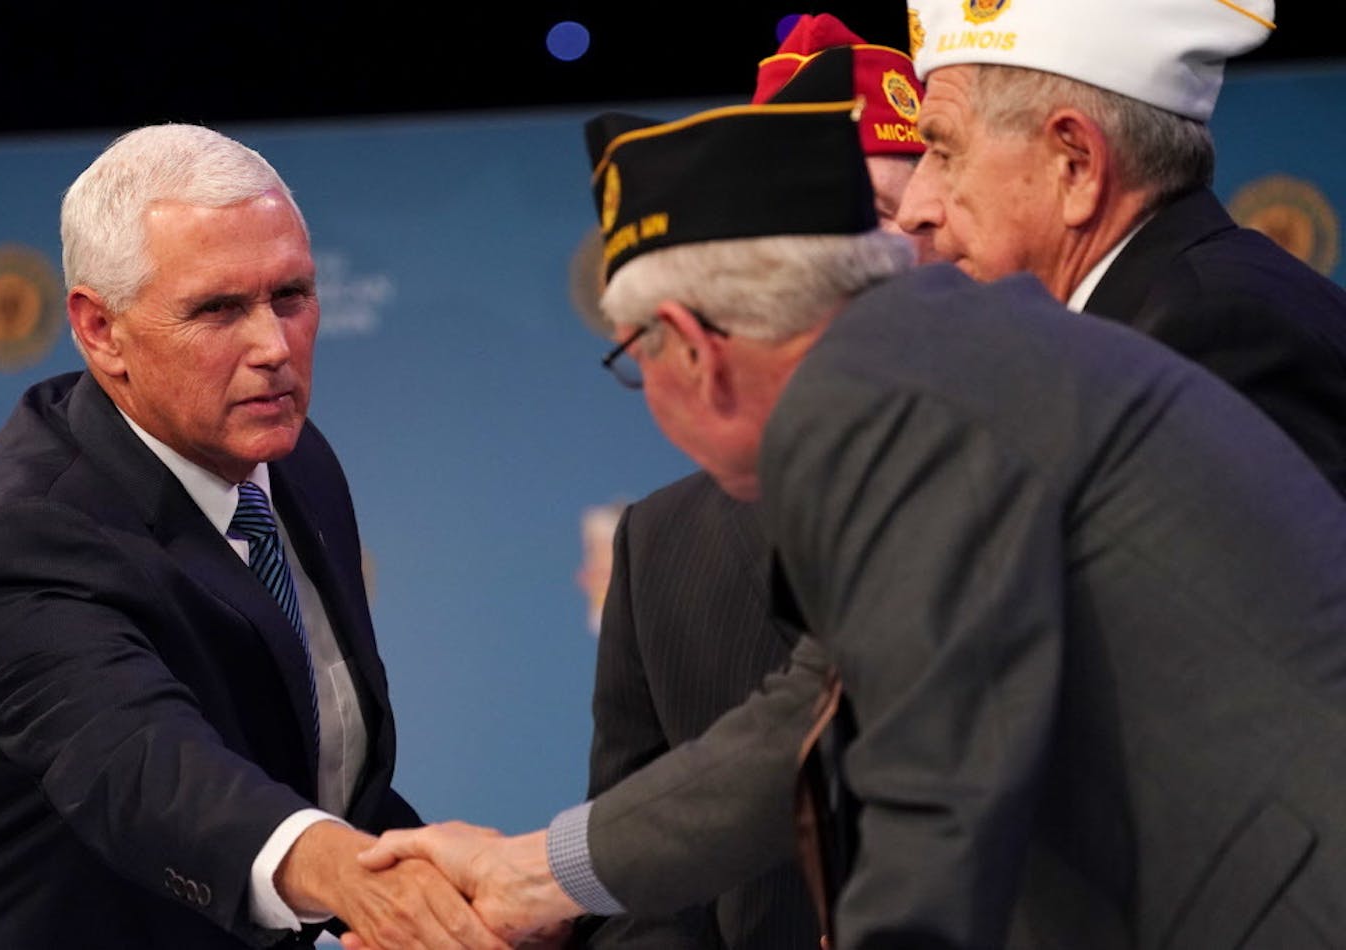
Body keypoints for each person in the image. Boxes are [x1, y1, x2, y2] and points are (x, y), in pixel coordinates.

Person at [357, 35, 1346, 950]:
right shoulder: (936, 363)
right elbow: (820, 710)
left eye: (631, 356)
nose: (925, 206)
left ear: (692, 350)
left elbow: (930, 804)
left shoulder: (892, 408)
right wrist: (535, 871)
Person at [0, 124, 505, 950]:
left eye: (292, 296)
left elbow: (321, 779)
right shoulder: (30, 536)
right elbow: (149, 770)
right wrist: (356, 880)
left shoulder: (293, 463)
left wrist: (460, 891)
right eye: (218, 309)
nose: (273, 348)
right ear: (100, 331)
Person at [580, 16, 929, 950]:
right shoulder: (661, 546)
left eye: (891, 222)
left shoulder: (1019, 461)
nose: (874, 265)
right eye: (837, 234)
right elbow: (645, 901)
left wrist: (530, 875)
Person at [896, 0, 1346, 492]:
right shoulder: (1150, 319)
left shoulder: (1209, 339)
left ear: (1077, 166)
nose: (914, 207)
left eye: (944, 152)